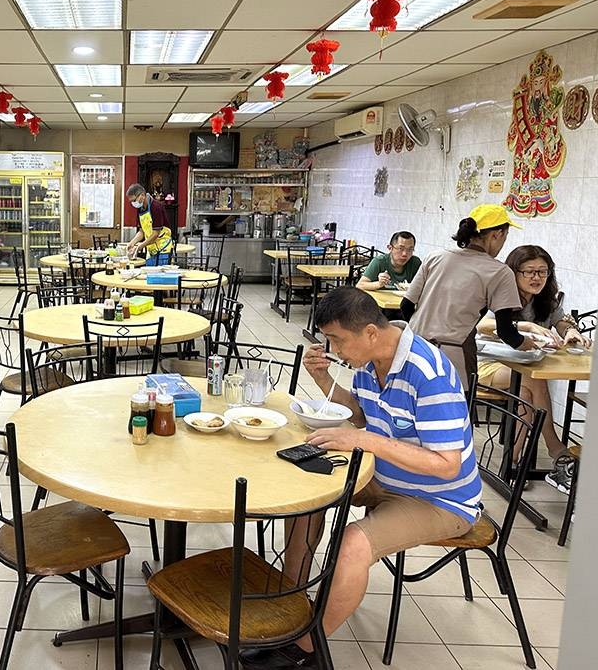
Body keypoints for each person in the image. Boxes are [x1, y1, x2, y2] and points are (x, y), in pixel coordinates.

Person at [241, 288, 481, 670]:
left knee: (353, 543)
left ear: (370, 332)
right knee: (311, 492)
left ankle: (306, 648)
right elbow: (360, 413)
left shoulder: (428, 372)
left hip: (439, 500)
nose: (333, 350)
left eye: (337, 340)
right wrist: (323, 378)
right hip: (383, 477)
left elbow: (447, 464)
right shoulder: (371, 361)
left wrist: (367, 441)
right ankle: (290, 600)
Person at [476, 244, 592, 494]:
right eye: (529, 271)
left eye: (542, 272)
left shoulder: (546, 300)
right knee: (532, 380)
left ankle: (512, 465)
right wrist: (525, 326)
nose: (536, 277)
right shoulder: (500, 293)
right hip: (488, 364)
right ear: (514, 272)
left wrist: (570, 331)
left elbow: (560, 322)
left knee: (525, 395)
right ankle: (556, 449)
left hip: (523, 366)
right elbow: (483, 325)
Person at [401, 204, 532, 391]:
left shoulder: (435, 257)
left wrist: (421, 332)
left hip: (413, 349)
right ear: (497, 234)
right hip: (454, 358)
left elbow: (406, 305)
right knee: (453, 408)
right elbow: (505, 331)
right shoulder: (500, 272)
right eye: (505, 236)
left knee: (410, 403)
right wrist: (530, 345)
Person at [124, 183, 174, 265]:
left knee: (160, 273)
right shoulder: (140, 209)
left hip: (163, 249)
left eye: (134, 200)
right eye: (131, 201)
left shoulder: (156, 207)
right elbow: (142, 231)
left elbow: (155, 234)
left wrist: (140, 246)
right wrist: (132, 243)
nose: (133, 203)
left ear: (142, 195)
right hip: (150, 249)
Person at [355, 231, 421, 290]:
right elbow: (360, 285)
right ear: (390, 248)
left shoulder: (415, 263)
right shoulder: (379, 261)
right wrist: (379, 284)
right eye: (401, 248)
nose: (405, 254)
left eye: (410, 249)